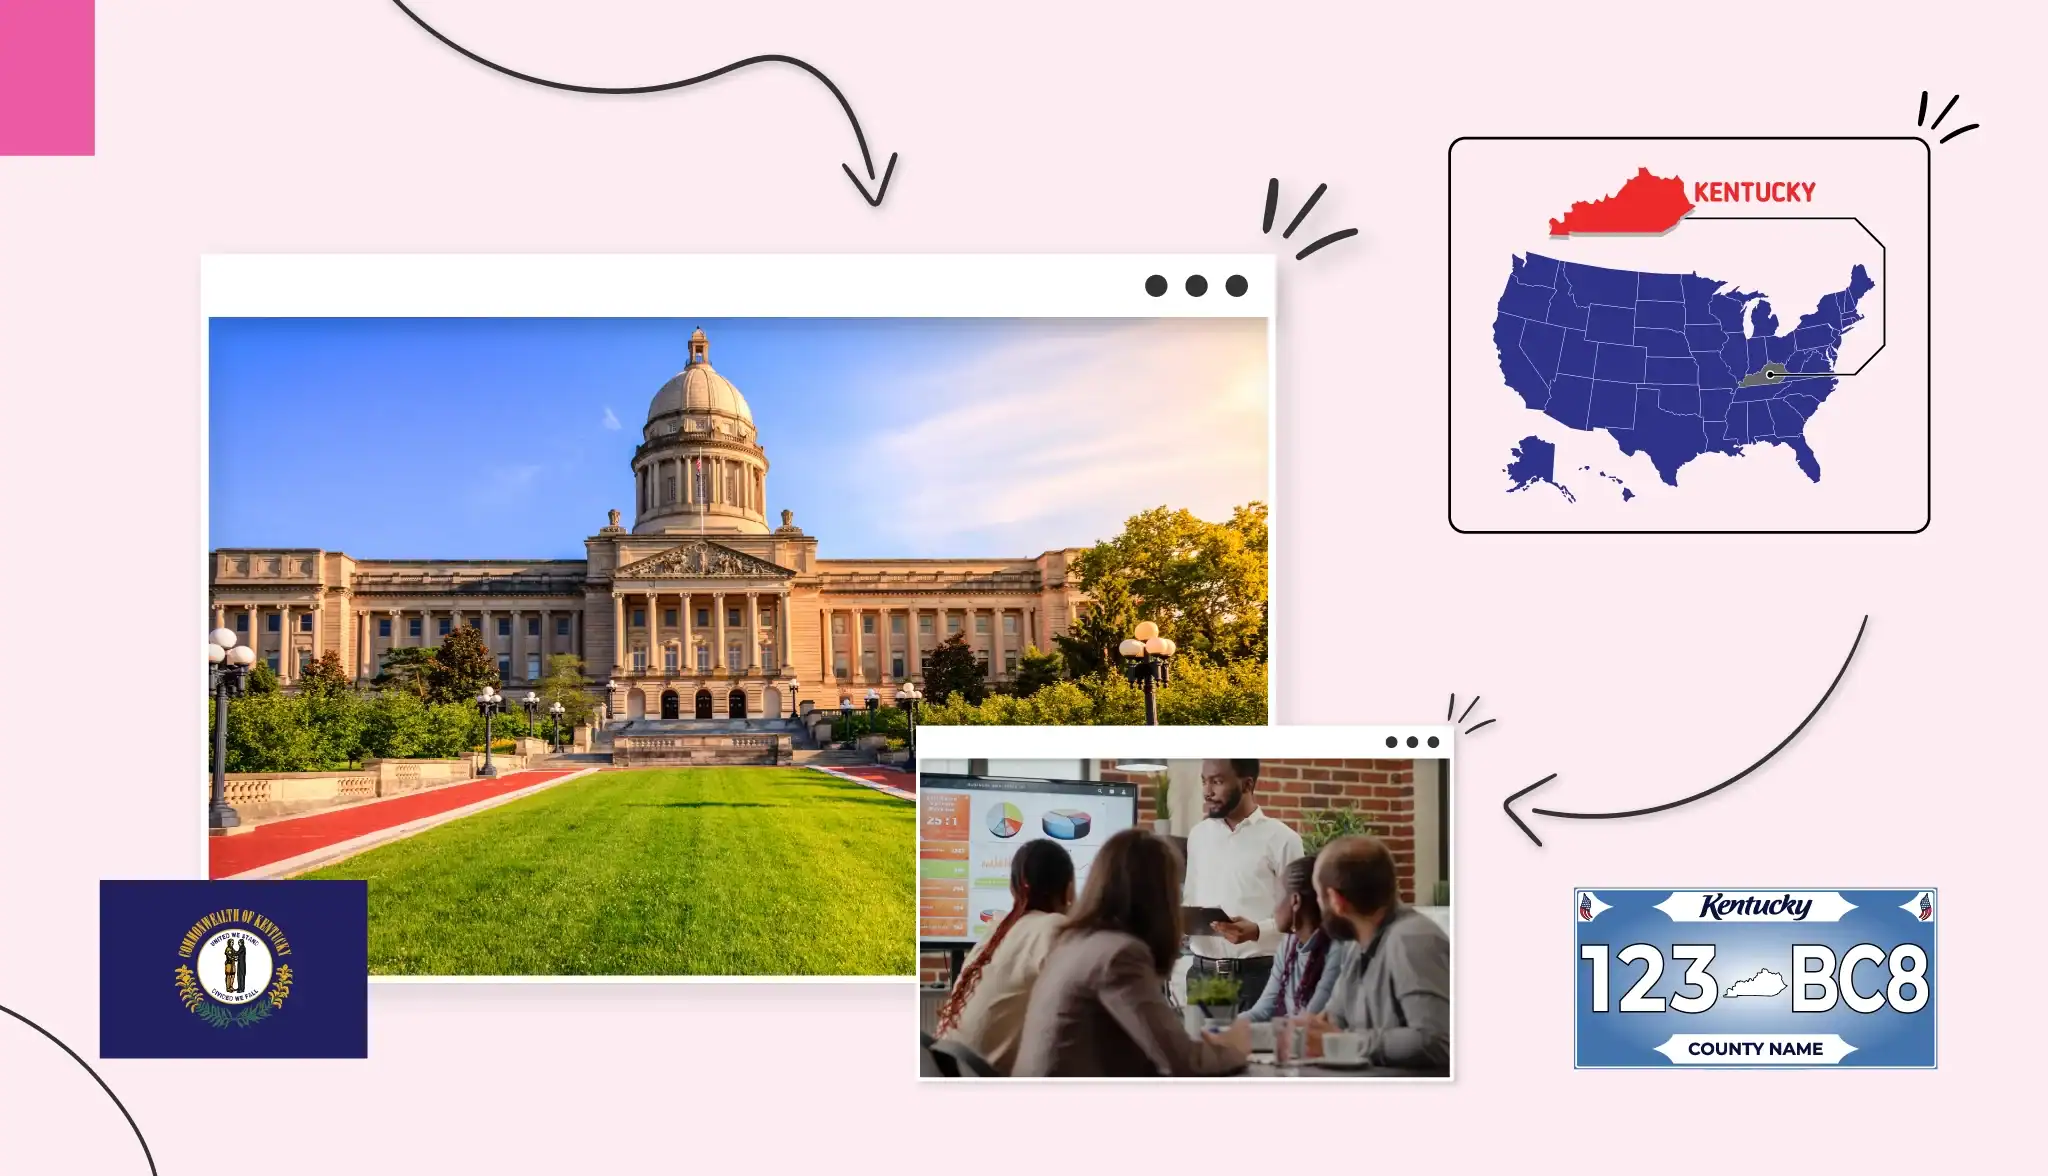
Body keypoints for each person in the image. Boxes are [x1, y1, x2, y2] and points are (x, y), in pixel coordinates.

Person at [1013, 829, 1250, 1077]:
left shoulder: (1075, 942)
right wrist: (1234, 1046)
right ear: (1160, 896)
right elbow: (1184, 1063)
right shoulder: (1118, 955)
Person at [1301, 834, 1450, 1071]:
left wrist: (1345, 1043)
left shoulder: (1413, 939)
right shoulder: (1354, 945)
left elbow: (1437, 1042)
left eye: (1320, 897)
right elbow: (1334, 1020)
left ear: (1336, 900)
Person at [933, 839, 1076, 1074]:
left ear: (1013, 888)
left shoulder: (998, 928)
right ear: (1069, 889)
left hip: (949, 1070)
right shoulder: (1052, 928)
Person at [1183, 759, 1302, 1014]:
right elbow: (1191, 897)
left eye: (1217, 781)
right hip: (1204, 976)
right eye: (1204, 781)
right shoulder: (1198, 836)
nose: (1207, 791)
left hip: (1257, 978)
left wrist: (1258, 931)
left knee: (1257, 1053)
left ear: (1247, 784)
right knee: (1205, 1052)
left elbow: (1299, 916)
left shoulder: (1283, 839)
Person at [1239, 855, 1349, 1023]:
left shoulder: (1337, 948)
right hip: (1292, 1040)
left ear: (1295, 901)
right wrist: (1224, 1029)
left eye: (1277, 898)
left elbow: (1310, 1022)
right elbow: (1262, 1012)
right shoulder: (1288, 944)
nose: (1274, 909)